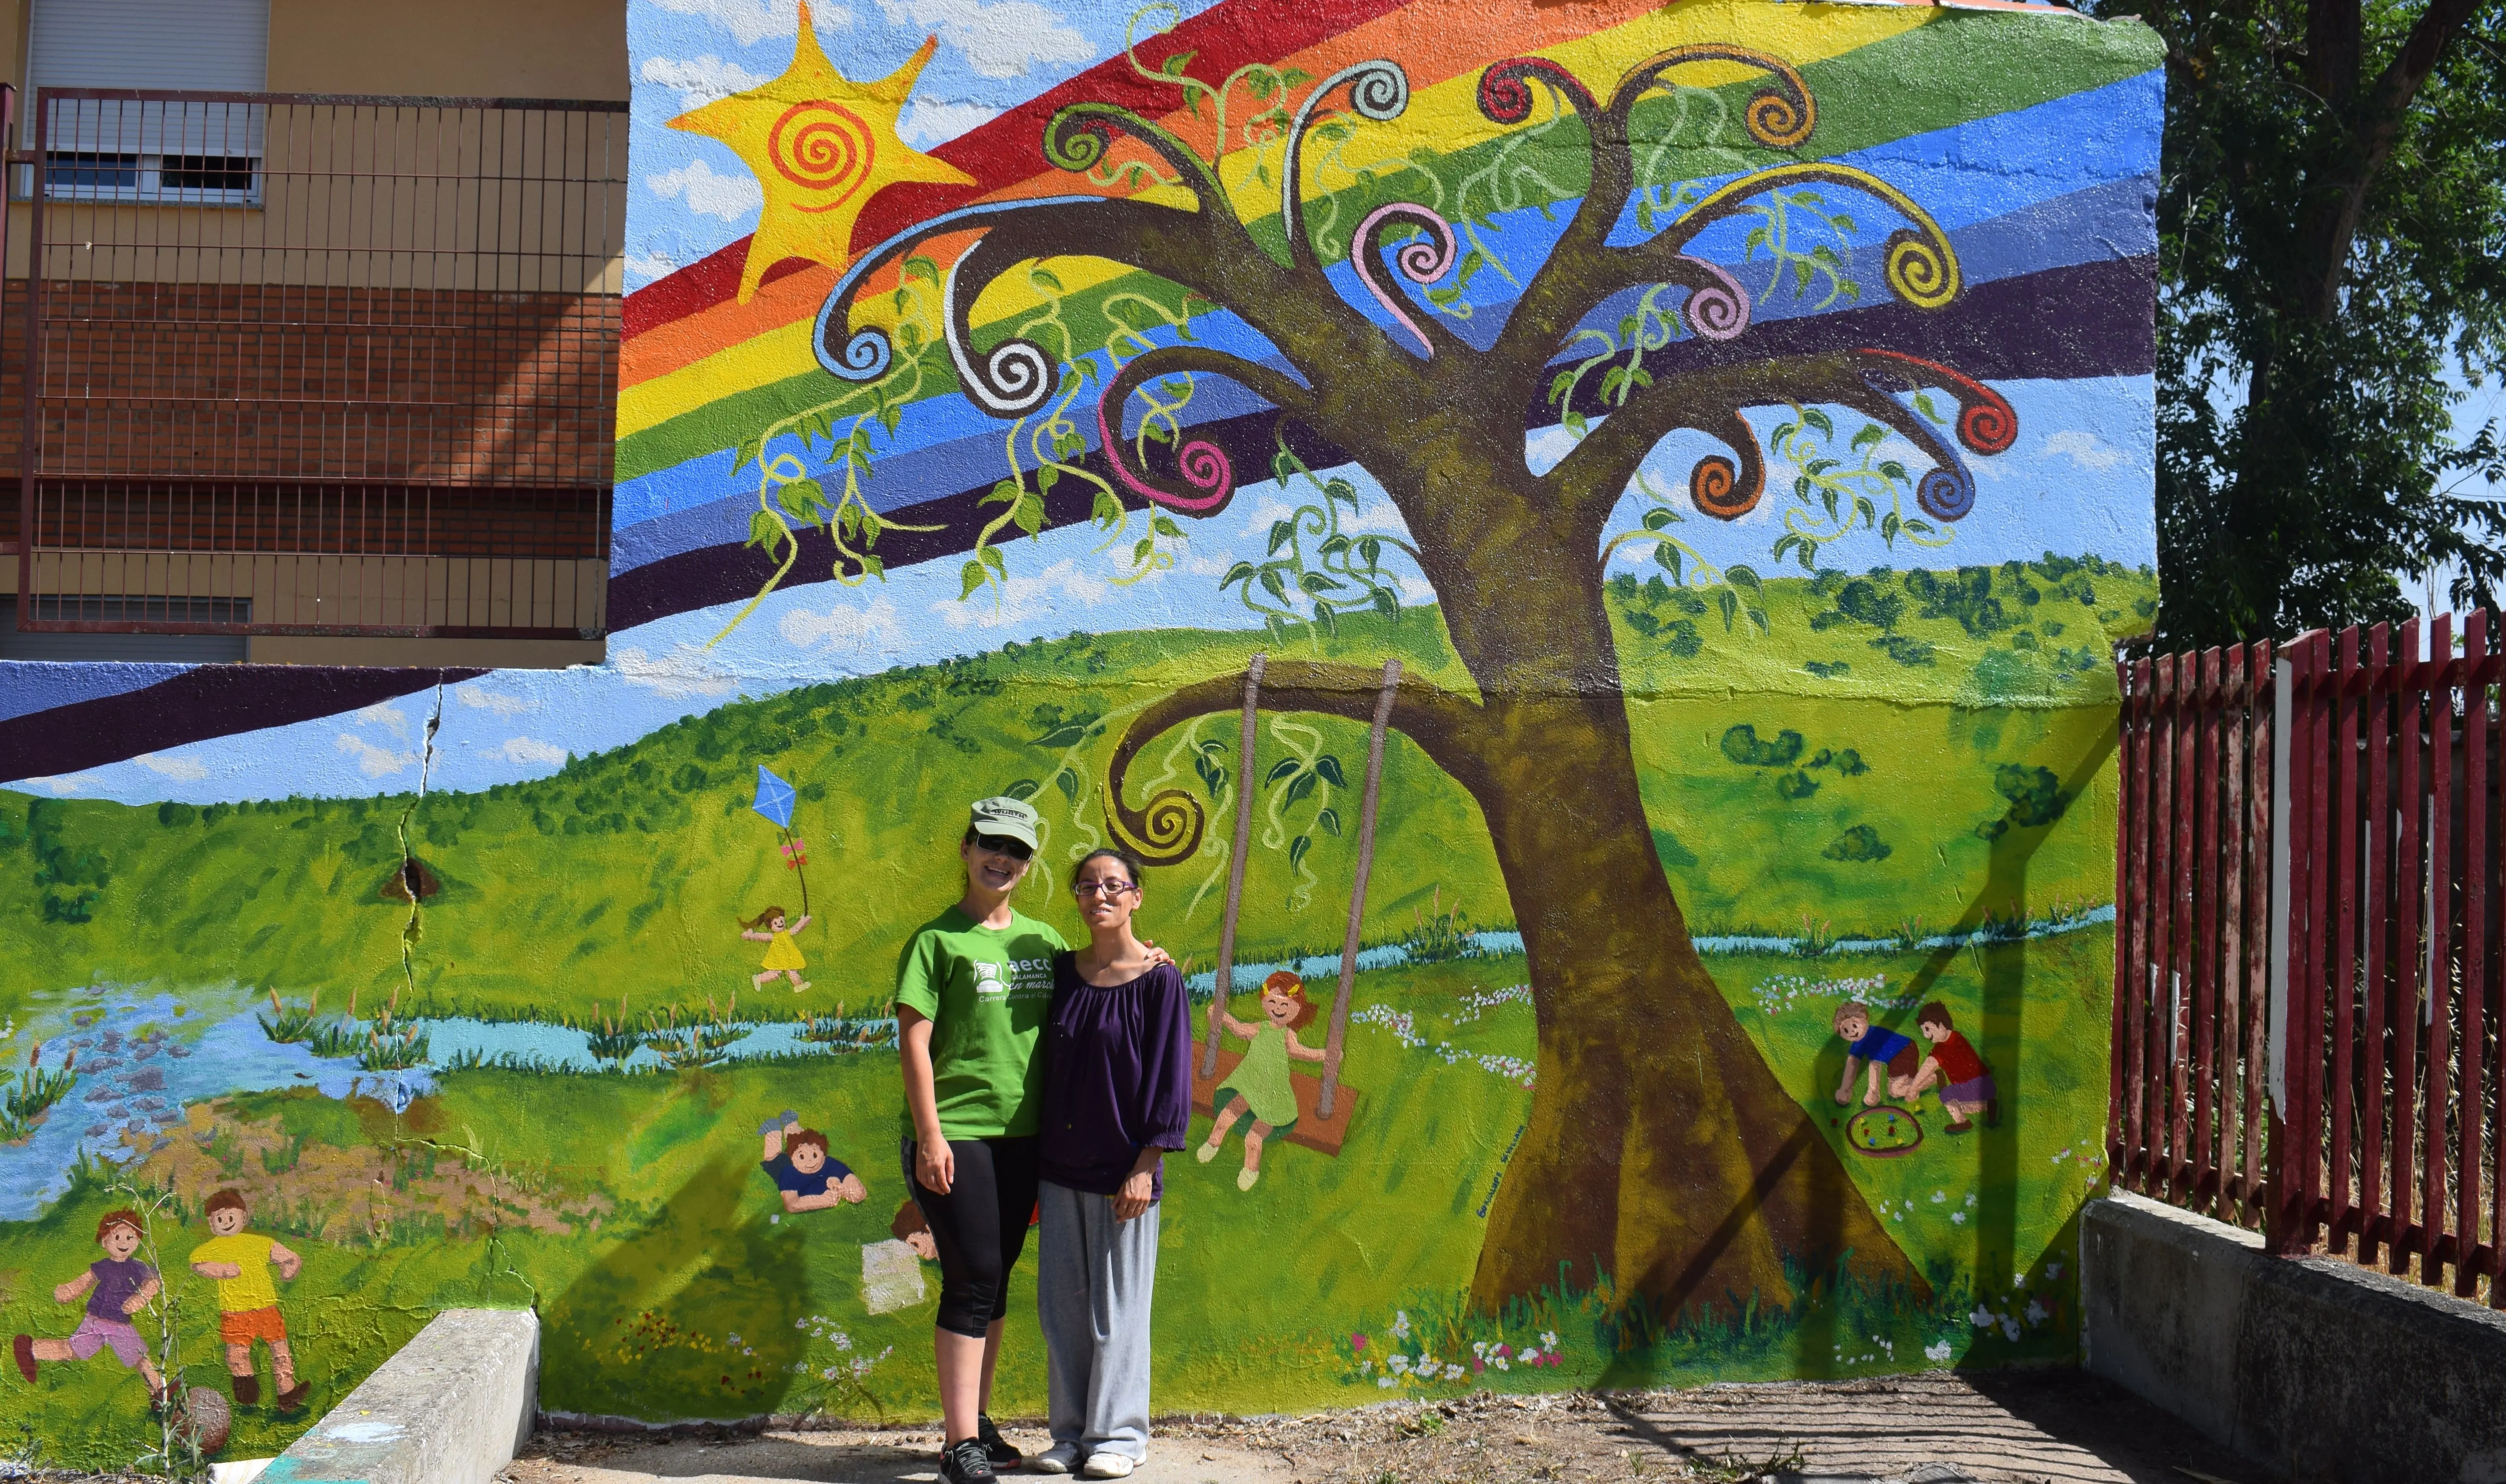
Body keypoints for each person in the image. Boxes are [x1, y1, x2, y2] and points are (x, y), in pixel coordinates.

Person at [893, 795, 1070, 1484]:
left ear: (1029, 864)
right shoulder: (936, 941)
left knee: (993, 1281)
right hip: (955, 1133)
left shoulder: (1044, 942)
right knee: (971, 1278)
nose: (1003, 858)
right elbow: (914, 1042)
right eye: (992, 844)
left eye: (1018, 850)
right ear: (967, 847)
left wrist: (1148, 959)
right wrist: (930, 1135)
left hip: (1023, 1137)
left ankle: (977, 1421)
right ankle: (958, 1442)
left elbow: (1098, 987)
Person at [1032, 847, 1191, 1479]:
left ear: (1136, 896)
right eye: (1087, 885)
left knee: (1118, 1311)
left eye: (1113, 885)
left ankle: (1121, 1435)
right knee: (1064, 1312)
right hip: (1059, 1166)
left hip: (1125, 1171)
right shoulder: (1060, 974)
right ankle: (1070, 1435)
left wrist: (1146, 1164)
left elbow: (1170, 1077)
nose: (1099, 894)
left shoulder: (1159, 980)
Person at [12, 1208, 166, 1404]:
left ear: (138, 1239)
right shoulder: (104, 1266)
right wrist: (68, 1291)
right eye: (117, 1237)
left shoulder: (138, 1267)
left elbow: (153, 1282)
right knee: (73, 1351)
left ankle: (160, 1392)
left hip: (119, 1323)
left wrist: (139, 1300)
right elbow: (84, 1281)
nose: (124, 1243)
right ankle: (30, 1349)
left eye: (130, 1237)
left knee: (138, 1358)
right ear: (105, 1242)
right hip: (98, 1321)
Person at [1196, 971, 1325, 1190]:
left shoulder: (1287, 1036)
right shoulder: (1261, 1028)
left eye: (1285, 1005)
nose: (1278, 1009)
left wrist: (1324, 1055)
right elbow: (1239, 1030)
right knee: (1227, 1114)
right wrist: (1222, 1016)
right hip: (1250, 1085)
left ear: (1297, 1008)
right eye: (1273, 1002)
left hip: (1273, 1094)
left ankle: (1251, 1170)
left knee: (1254, 1138)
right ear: (1264, 1001)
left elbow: (1299, 1052)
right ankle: (1212, 1143)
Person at [189, 1188, 310, 1411]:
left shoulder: (259, 1243)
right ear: (212, 1224)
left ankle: (287, 1394)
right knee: (237, 1354)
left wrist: (290, 1267)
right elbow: (198, 1265)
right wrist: (221, 1270)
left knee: (280, 1350)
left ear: (243, 1218)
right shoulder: (211, 1248)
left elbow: (289, 1256)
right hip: (235, 1311)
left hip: (267, 1307)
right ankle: (247, 1390)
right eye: (220, 1219)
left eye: (231, 1217)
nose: (226, 1222)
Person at [1904, 1003, 1999, 1133]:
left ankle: (1962, 1122)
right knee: (1960, 1105)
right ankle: (1988, 1105)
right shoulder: (1957, 1037)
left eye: (1928, 1029)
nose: (1926, 1035)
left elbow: (1928, 1067)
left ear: (1942, 1025)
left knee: (1946, 1095)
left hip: (1975, 1086)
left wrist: (1913, 1089)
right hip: (1987, 1085)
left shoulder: (1943, 1048)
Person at [758, 1110, 867, 1213]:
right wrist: (823, 1201)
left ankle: (790, 1123)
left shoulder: (830, 1165)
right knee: (773, 1157)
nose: (810, 1161)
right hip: (785, 1166)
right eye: (803, 1157)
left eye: (815, 1155)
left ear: (823, 1152)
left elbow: (857, 1189)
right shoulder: (789, 1174)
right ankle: (773, 1130)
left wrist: (845, 1190)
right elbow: (792, 1205)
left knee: (805, 1142)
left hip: (798, 1157)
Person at [1831, 1001, 1920, 1108]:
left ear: (1864, 1017)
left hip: (1905, 1051)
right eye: (1846, 1030)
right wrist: (1845, 1090)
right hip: (1894, 1059)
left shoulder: (1874, 1035)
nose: (1852, 1031)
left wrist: (1873, 1092)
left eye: (1855, 1025)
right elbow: (1852, 1064)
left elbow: (1875, 1066)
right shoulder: (1857, 1043)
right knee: (1895, 1089)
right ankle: (1922, 1080)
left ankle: (1928, 1080)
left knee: (1895, 1091)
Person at [742, 907, 813, 992]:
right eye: (776, 923)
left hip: (788, 956)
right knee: (776, 973)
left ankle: (799, 985)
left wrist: (804, 921)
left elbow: (796, 928)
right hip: (778, 957)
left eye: (782, 921)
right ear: (771, 926)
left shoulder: (787, 933)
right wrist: (750, 936)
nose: (780, 924)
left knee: (792, 971)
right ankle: (759, 978)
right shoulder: (774, 936)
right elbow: (761, 937)